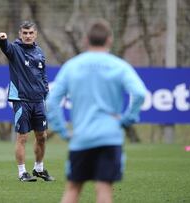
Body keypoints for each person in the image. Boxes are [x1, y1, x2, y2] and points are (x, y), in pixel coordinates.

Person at [46, 19, 147, 203]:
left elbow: (51, 102)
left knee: (73, 189)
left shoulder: (72, 66)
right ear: (109, 40)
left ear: (86, 40)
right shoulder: (119, 65)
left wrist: (63, 131)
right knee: (104, 189)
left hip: (81, 137)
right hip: (110, 137)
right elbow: (139, 93)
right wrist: (127, 120)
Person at [0, 21, 54, 182]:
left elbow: (42, 73)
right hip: (21, 99)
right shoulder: (14, 50)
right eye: (25, 33)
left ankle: (39, 169)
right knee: (22, 137)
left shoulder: (39, 51)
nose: (28, 36)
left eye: (30, 33)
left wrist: (45, 88)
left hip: (38, 100)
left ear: (35, 34)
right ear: (20, 35)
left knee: (42, 136)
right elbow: (4, 47)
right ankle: (22, 173)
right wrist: (1, 39)